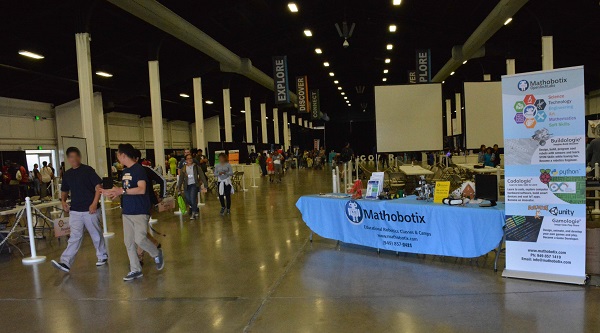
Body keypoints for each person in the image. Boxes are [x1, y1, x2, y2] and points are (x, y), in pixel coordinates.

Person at [102, 143, 164, 281]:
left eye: (118, 154)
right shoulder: (125, 172)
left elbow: (141, 189)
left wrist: (121, 191)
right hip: (127, 211)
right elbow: (126, 191)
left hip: (140, 210)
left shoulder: (139, 170)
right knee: (128, 242)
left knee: (140, 239)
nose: (117, 157)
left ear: (123, 155)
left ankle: (156, 253)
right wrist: (113, 193)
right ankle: (135, 269)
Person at [50, 147, 108, 273]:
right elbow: (64, 190)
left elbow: (98, 187)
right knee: (75, 237)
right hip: (75, 210)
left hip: (90, 210)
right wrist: (63, 202)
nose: (74, 159)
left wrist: (94, 203)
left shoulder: (88, 170)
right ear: (68, 159)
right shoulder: (68, 174)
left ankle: (102, 256)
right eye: (71, 157)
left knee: (96, 234)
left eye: (76, 156)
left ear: (80, 157)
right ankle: (65, 262)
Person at [178, 154, 207, 220]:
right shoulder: (183, 168)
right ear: (186, 160)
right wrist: (179, 187)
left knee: (192, 198)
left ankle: (193, 213)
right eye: (188, 158)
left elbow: (202, 175)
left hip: (194, 185)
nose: (189, 160)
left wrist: (205, 184)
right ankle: (195, 208)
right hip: (186, 186)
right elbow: (181, 178)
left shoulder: (196, 167)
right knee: (188, 199)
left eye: (190, 158)